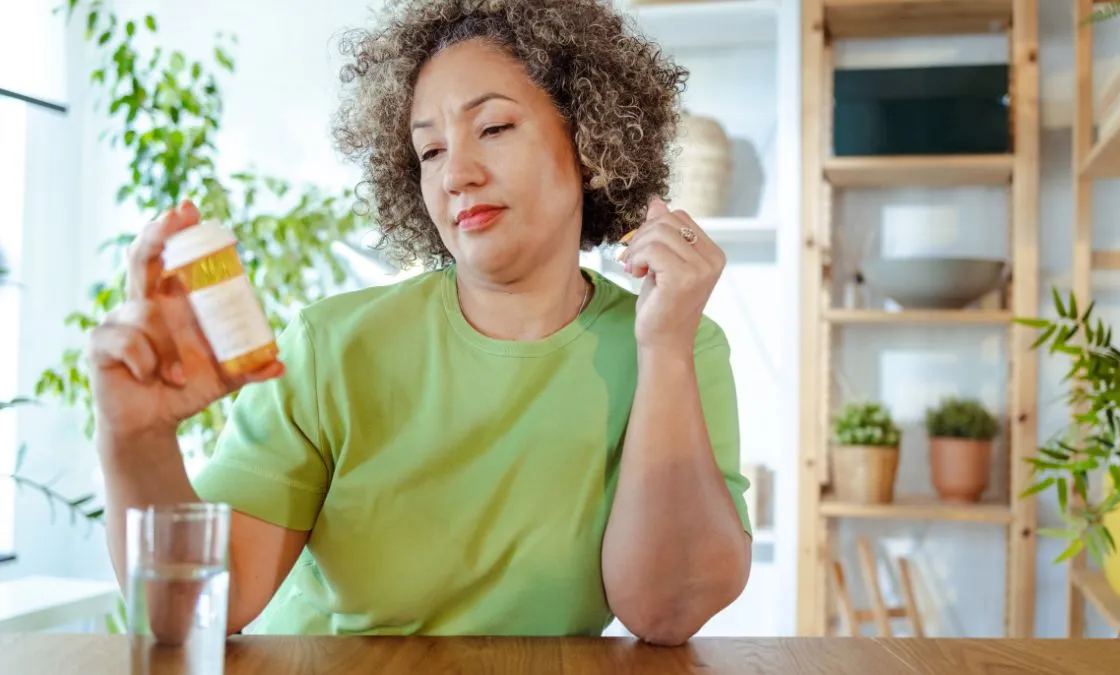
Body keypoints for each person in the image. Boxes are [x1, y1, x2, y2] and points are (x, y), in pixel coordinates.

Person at [87, 0, 752, 646]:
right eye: (430, 152)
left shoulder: (677, 343)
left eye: (493, 128)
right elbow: (188, 611)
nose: (456, 174)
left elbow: (666, 611)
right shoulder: (331, 349)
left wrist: (664, 349)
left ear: (588, 143)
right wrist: (136, 435)